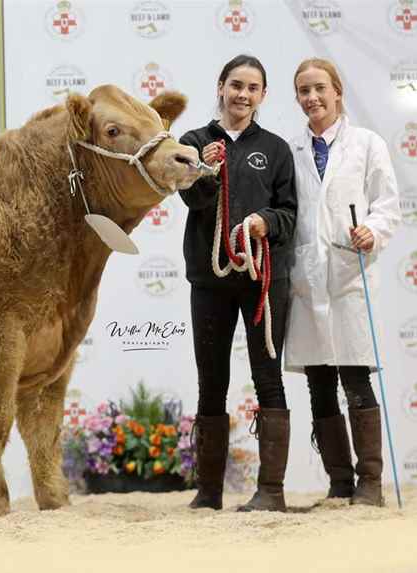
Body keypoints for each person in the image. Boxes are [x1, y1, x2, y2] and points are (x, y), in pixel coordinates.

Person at [178, 54, 297, 512]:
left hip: (264, 279)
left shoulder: (277, 148)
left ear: (263, 95)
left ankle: (272, 492)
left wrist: (265, 222)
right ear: (221, 87)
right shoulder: (193, 142)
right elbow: (191, 198)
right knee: (211, 382)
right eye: (236, 85)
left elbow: (289, 212)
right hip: (209, 280)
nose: (243, 94)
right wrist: (203, 171)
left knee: (268, 378)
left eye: (252, 87)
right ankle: (208, 493)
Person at [285, 58, 401, 506]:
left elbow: (387, 204)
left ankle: (369, 483)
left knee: (355, 377)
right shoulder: (291, 149)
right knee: (318, 382)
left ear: (337, 92)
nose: (311, 98)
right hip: (308, 278)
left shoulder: (367, 144)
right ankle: (339, 482)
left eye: (319, 89)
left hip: (349, 275)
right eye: (303, 91)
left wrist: (373, 230)